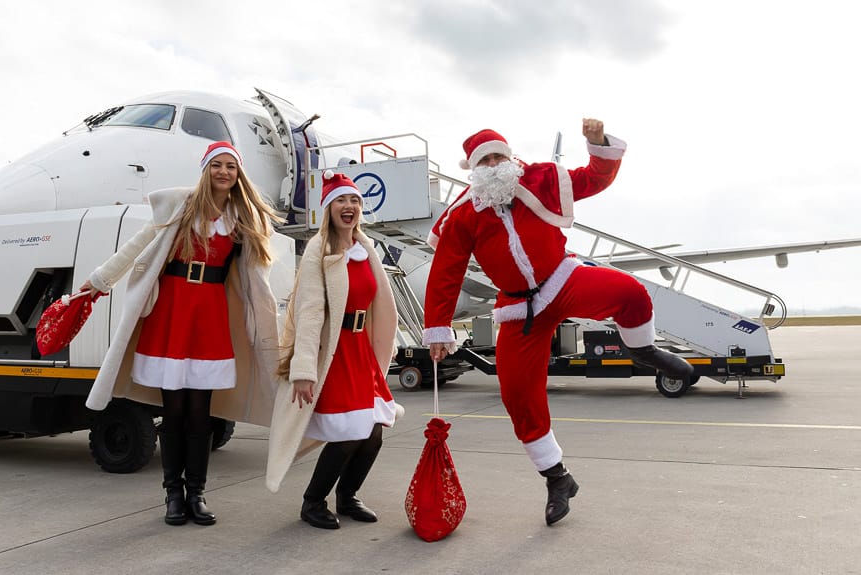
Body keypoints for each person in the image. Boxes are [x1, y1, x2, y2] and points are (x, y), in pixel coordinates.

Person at [422, 121, 694, 526]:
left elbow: (594, 178)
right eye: (485, 160)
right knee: (517, 395)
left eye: (499, 156)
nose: (494, 165)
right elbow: (446, 271)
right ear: (473, 169)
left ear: (509, 156)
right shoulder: (463, 214)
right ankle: (557, 478)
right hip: (519, 309)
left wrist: (598, 144)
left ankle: (643, 349)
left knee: (631, 293)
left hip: (561, 280)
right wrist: (439, 329)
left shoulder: (540, 178)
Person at [81, 141, 282, 526]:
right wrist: (99, 281)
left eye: (231, 167)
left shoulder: (242, 219)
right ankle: (173, 494)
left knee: (200, 415)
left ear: (238, 175)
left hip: (209, 315)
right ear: (205, 169)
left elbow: (256, 278)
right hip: (172, 313)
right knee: (173, 413)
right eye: (217, 165)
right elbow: (137, 247)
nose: (224, 172)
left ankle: (198, 493)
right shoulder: (180, 206)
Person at [265, 170, 400, 530]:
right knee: (346, 434)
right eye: (341, 199)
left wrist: (387, 344)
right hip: (334, 353)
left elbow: (379, 305)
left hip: (361, 351)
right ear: (328, 208)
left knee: (372, 434)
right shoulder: (318, 250)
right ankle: (312, 502)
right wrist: (304, 369)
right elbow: (309, 312)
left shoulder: (366, 247)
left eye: (354, 200)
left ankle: (348, 496)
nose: (349, 205)